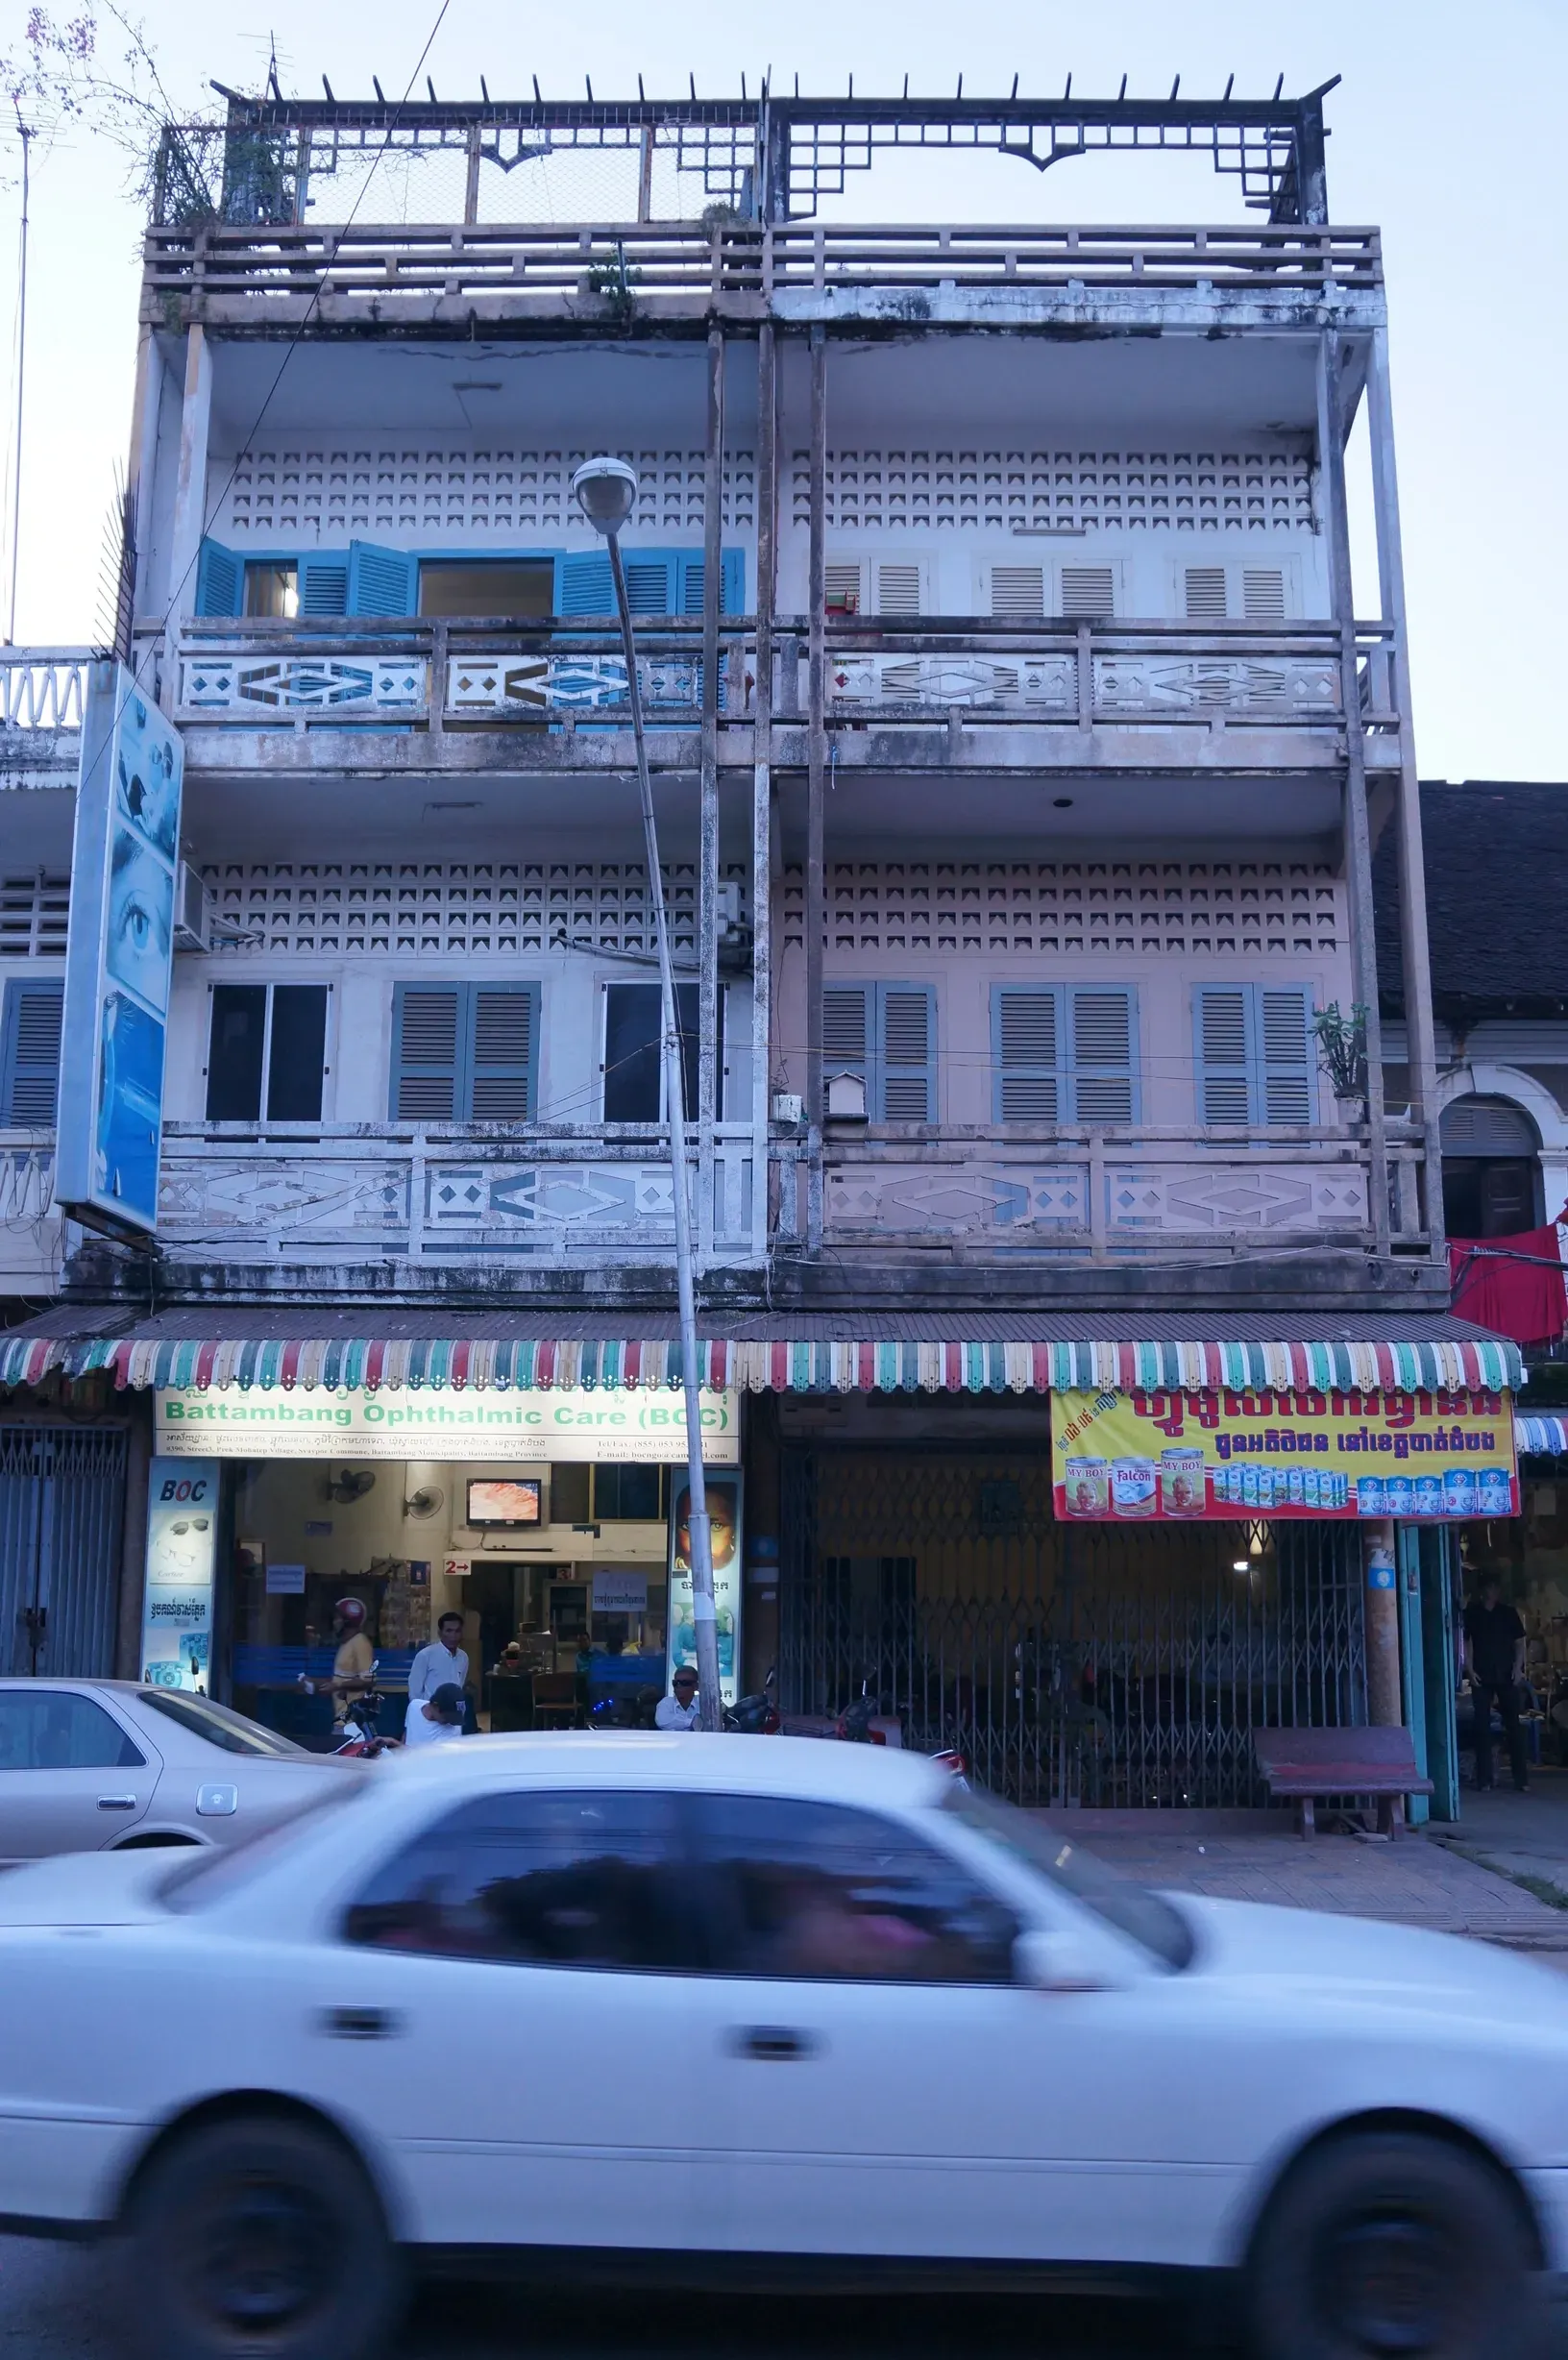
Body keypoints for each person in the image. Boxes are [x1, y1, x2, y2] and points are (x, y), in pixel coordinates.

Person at [1463, 1571, 1530, 1793]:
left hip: (1506, 1674)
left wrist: (1518, 1668)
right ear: (1484, 1590)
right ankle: (1484, 1779)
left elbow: (1520, 1642)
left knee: (1514, 1725)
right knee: (1481, 1726)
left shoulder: (1508, 1613)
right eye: (1491, 1587)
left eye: (1496, 1587)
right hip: (1481, 1675)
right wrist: (1469, 1669)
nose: (1494, 1591)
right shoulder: (1472, 1613)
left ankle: (1522, 1779)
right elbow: (1466, 1643)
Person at [299, 1597, 375, 1733]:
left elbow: (367, 1680)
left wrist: (338, 1686)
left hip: (352, 1721)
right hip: (341, 1718)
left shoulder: (360, 1643)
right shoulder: (346, 1644)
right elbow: (341, 1678)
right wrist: (315, 1682)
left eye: (338, 1618)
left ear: (347, 1621)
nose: (335, 1622)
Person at [405, 1611, 470, 1741]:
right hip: (429, 1718)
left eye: (457, 1631)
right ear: (440, 1633)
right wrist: (420, 1720)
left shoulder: (463, 1657)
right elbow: (414, 1693)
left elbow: (459, 1686)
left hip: (453, 1717)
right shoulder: (426, 1655)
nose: (453, 1636)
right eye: (449, 1631)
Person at [403, 1682, 466, 1749]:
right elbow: (407, 1733)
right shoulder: (414, 1706)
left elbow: (428, 1757)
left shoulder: (454, 1729)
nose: (450, 1721)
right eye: (447, 1717)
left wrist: (395, 1743)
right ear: (435, 1705)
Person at [654, 1667, 701, 1731]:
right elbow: (663, 1721)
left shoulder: (703, 1704)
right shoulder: (666, 1703)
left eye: (684, 1683)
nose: (678, 1686)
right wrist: (692, 1722)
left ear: (696, 1686)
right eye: (676, 1683)